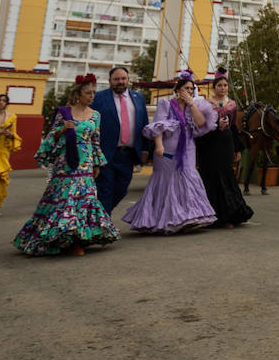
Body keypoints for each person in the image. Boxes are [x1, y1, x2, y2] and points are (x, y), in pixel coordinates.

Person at [13, 75, 120, 255]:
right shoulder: (64, 113)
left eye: (93, 93)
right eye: (88, 93)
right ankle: (60, 239)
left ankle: (77, 239)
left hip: (85, 164)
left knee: (84, 199)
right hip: (66, 164)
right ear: (78, 94)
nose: (92, 96)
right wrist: (63, 129)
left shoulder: (95, 115)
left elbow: (95, 140)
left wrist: (97, 164)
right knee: (64, 199)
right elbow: (50, 138)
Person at [122, 74, 216, 234]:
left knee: (188, 177)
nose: (189, 91)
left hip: (188, 148)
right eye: (186, 88)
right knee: (166, 181)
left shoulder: (195, 105)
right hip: (167, 149)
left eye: (191, 89)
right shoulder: (166, 104)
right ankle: (162, 220)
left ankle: (188, 218)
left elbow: (201, 123)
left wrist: (192, 104)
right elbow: (157, 126)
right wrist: (159, 146)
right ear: (178, 90)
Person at [197, 70, 253, 228]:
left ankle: (229, 215)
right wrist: (215, 127)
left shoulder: (232, 104)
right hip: (210, 144)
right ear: (214, 87)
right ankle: (210, 215)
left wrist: (237, 149)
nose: (222, 88)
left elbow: (234, 127)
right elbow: (202, 126)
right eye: (219, 85)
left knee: (227, 176)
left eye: (225, 85)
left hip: (227, 143)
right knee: (211, 177)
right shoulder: (205, 104)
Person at [92, 66, 149, 216]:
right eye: (116, 79)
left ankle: (98, 218)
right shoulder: (98, 98)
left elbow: (144, 124)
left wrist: (145, 149)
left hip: (128, 155)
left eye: (123, 79)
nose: (120, 82)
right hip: (106, 154)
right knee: (105, 190)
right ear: (110, 81)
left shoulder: (138, 98)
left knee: (121, 190)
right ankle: (103, 225)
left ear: (128, 80)